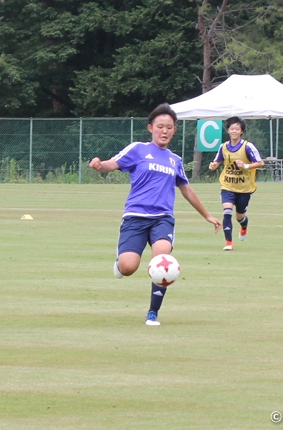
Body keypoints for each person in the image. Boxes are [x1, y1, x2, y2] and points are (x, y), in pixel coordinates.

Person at [89, 103, 221, 326]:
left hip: (163, 219)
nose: (165, 131)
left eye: (169, 127)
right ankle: (120, 261)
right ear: (151, 128)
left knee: (163, 261)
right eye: (160, 126)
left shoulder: (175, 160)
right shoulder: (138, 149)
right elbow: (113, 164)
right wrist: (99, 165)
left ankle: (153, 312)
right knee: (128, 267)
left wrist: (207, 215)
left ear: (174, 131)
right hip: (135, 216)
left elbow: (186, 189)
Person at [208, 116, 264, 251]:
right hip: (227, 185)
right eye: (231, 129)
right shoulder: (223, 147)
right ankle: (229, 243)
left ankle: (244, 227)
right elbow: (217, 161)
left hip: (244, 188)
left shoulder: (248, 146)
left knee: (240, 217)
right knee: (227, 211)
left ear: (241, 131)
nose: (234, 131)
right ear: (228, 130)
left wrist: (245, 166)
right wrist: (213, 166)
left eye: (237, 129)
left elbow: (261, 163)